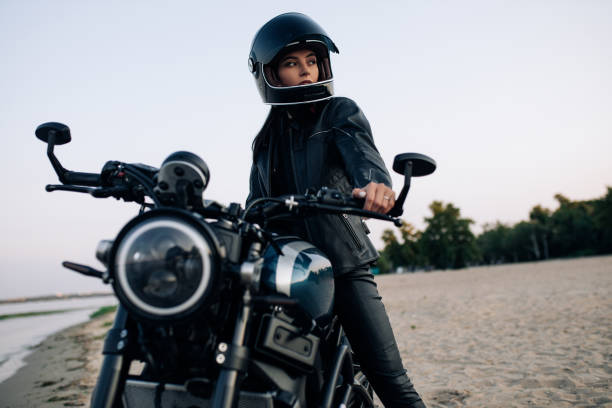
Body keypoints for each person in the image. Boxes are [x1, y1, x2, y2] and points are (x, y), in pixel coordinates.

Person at [246, 12, 426, 408]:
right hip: (288, 272)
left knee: (390, 379)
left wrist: (377, 185)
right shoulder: (264, 140)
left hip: (342, 264)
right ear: (269, 72)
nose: (306, 72)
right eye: (293, 63)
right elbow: (254, 206)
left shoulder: (339, 111)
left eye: (312, 62)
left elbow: (361, 153)